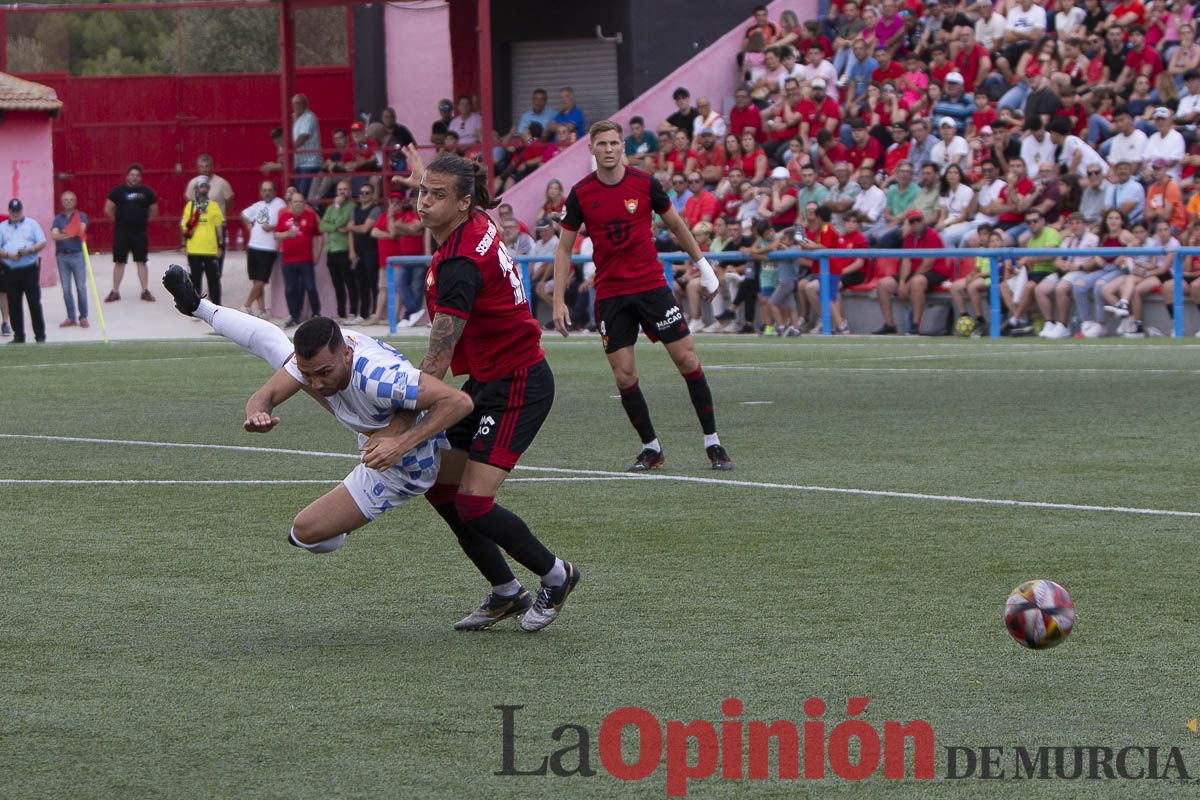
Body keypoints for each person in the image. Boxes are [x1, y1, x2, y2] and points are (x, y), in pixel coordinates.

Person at [367, 144, 580, 632]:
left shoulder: (460, 265)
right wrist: (427, 176)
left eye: (435, 196)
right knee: (441, 490)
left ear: (462, 202)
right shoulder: (476, 218)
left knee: (472, 503)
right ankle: (506, 592)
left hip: (520, 382)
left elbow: (438, 357)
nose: (423, 203)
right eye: (421, 194)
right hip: (487, 379)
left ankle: (557, 574)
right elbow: (453, 190)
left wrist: (402, 427)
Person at [160, 266, 476, 583]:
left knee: (305, 533)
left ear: (346, 355)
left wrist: (399, 441)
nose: (314, 382)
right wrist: (257, 411)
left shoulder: (378, 379)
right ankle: (198, 306)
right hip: (376, 430)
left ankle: (507, 580)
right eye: (309, 373)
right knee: (277, 347)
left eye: (322, 373)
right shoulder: (326, 355)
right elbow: (265, 393)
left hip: (406, 463)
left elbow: (456, 401)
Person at [552, 120, 732, 472]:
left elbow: (677, 225)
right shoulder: (580, 193)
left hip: (652, 288)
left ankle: (713, 442)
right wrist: (559, 299)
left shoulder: (645, 183)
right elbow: (563, 248)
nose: (608, 149)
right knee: (624, 377)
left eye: (614, 143)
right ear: (591, 148)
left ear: (623, 147)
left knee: (688, 362)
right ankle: (652, 448)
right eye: (601, 143)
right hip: (611, 295)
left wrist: (704, 266)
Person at [104, 164, 158, 302]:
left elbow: (154, 210)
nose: (135, 177)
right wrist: (121, 219)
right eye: (132, 175)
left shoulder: (147, 192)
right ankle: (115, 291)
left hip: (139, 233)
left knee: (141, 261)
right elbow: (108, 208)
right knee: (119, 262)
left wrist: (140, 220)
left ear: (140, 178)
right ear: (127, 176)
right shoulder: (118, 191)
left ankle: (145, 291)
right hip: (121, 233)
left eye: (137, 175)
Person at [0, 199, 47, 343]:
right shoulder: (2, 227)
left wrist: (29, 250)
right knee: (14, 304)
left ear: (21, 210)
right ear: (9, 211)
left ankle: (39, 335)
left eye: (17, 211)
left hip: (29, 269)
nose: (15, 214)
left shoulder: (31, 224)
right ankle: (18, 335)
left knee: (34, 302)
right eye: (13, 211)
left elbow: (42, 242)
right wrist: (8, 255)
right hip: (10, 269)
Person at [274, 191, 323, 327]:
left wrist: (317, 254)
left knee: (310, 286)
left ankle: (316, 313)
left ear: (304, 203)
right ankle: (294, 316)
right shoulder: (284, 217)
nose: (298, 204)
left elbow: (319, 235)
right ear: (291, 204)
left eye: (300, 202)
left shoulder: (311, 216)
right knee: (290, 289)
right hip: (288, 260)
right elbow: (276, 235)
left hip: (306, 259)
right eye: (295, 202)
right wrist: (287, 234)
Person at [240, 180, 286, 317]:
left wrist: (272, 227)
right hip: (253, 245)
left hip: (268, 247)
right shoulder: (258, 205)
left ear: (274, 191)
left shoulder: (279, 203)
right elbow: (244, 214)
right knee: (256, 280)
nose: (267, 193)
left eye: (269, 190)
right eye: (264, 190)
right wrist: (248, 224)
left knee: (261, 281)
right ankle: (262, 311)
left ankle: (247, 305)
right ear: (261, 192)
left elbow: (284, 220)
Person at [179, 176, 226, 307]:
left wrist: (220, 245)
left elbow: (219, 227)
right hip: (194, 248)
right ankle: (195, 306)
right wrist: (183, 244)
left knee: (214, 279)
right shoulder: (190, 206)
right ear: (197, 189)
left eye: (205, 186)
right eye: (201, 186)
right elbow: (184, 226)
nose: (203, 189)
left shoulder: (214, 206)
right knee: (194, 279)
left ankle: (217, 305)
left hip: (210, 249)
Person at [320, 180, 359, 322]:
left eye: (345, 189)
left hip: (345, 249)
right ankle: (341, 313)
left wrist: (335, 220)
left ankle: (354, 312)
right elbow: (322, 226)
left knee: (350, 282)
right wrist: (335, 227)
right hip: (331, 250)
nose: (342, 192)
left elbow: (340, 221)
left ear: (349, 191)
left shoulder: (352, 206)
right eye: (339, 190)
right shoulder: (331, 207)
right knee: (337, 284)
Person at [50, 191, 89, 329]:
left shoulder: (82, 216)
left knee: (80, 287)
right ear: (61, 202)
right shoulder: (57, 218)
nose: (68, 202)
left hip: (77, 255)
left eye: (71, 199)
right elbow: (53, 236)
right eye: (65, 200)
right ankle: (71, 317)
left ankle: (83, 316)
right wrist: (70, 232)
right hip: (62, 256)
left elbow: (80, 229)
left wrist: (63, 233)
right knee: (66, 289)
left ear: (75, 201)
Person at [347, 183, 382, 322]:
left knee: (373, 282)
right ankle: (363, 314)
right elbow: (351, 231)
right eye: (361, 193)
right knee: (360, 283)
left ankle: (374, 313)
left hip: (371, 251)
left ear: (372, 195)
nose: (363, 195)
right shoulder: (355, 210)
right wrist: (351, 251)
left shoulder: (376, 209)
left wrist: (352, 227)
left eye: (367, 193)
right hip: (358, 250)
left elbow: (365, 228)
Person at [291, 93, 322, 197]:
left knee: (303, 195)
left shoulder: (309, 117)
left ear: (305, 104)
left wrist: (290, 149)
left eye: (299, 103)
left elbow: (304, 136)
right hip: (299, 162)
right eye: (294, 104)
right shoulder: (295, 118)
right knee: (298, 192)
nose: (296, 106)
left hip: (310, 163)